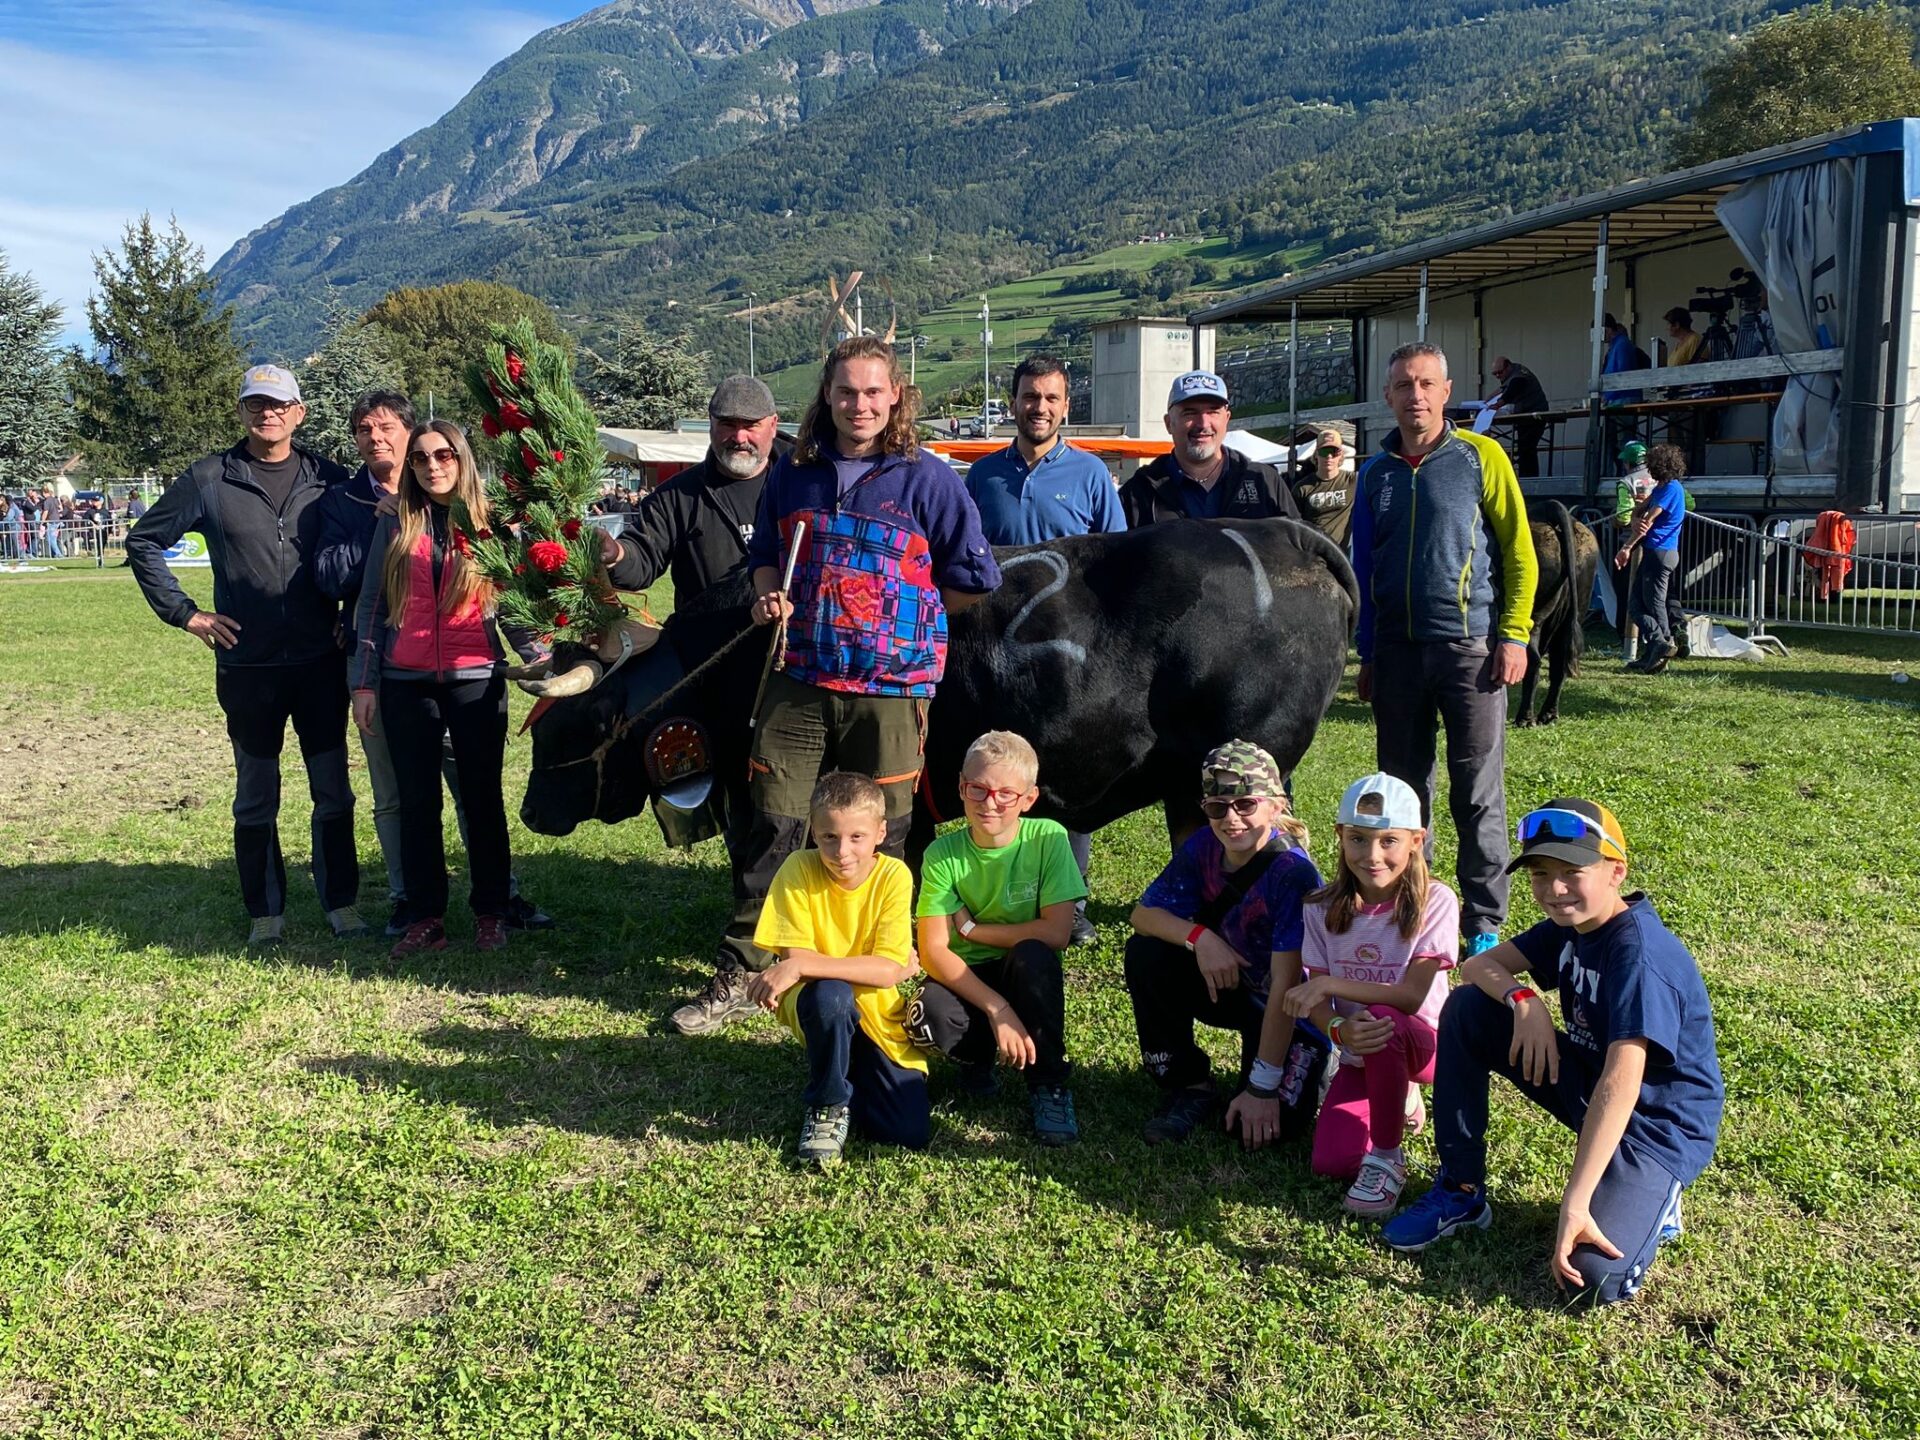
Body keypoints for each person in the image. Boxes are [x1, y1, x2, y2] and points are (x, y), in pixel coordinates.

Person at [669, 336, 1002, 1036]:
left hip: (890, 689)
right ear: (827, 396)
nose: (859, 405)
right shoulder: (794, 474)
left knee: (891, 829)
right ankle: (745, 964)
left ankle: (890, 963)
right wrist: (768, 597)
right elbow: (766, 556)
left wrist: (905, 614)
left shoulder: (931, 482)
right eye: (846, 391)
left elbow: (973, 583)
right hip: (800, 679)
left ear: (896, 398)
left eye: (874, 392)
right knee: (774, 818)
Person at [1385, 798, 1723, 1306]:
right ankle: (1460, 1189)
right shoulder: (1570, 928)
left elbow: (1623, 1082)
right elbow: (1477, 969)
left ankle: (1660, 1196)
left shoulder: (1639, 954)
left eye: (1572, 871)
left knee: (1591, 1280)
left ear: (1616, 872)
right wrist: (1524, 1001)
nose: (1554, 889)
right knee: (1469, 1009)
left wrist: (1575, 1201)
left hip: (1656, 1126)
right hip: (1590, 1082)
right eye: (1541, 874)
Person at [127, 365, 362, 945]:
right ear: (242, 412)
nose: (268, 414)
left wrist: (351, 622)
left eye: (278, 404)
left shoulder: (331, 480)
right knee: (257, 795)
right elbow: (143, 540)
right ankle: (266, 913)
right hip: (248, 667)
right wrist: (187, 613)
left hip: (318, 665)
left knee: (332, 788)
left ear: (298, 412)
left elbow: (362, 556)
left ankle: (342, 905)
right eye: (256, 404)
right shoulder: (210, 479)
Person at [316, 390, 551, 939]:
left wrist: (538, 657)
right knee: (418, 804)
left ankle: (492, 909)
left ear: (462, 459)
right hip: (405, 682)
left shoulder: (491, 525)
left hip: (476, 679)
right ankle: (425, 916)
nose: (431, 465)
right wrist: (364, 685)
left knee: (482, 798)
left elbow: (511, 603)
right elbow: (372, 606)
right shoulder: (396, 523)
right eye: (421, 458)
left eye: (443, 455)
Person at [1352, 341, 1536, 957]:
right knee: (1403, 790)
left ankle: (1483, 921)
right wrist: (1369, 654)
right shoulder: (1375, 474)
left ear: (1447, 391)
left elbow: (1518, 553)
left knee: (1475, 787)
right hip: (1398, 654)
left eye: (1426, 383)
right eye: (1404, 385)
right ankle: (1414, 904)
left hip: (1469, 650)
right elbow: (1364, 567)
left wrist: (1512, 635)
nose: (1416, 396)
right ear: (1389, 397)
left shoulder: (1481, 458)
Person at [963, 354, 1125, 945]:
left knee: (1065, 779)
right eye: (1031, 397)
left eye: (1052, 398)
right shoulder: (982, 478)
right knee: (994, 771)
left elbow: (1116, 566)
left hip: (1068, 660)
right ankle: (996, 894)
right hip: (997, 657)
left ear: (1066, 405)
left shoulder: (1090, 475)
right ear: (1014, 402)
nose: (1041, 407)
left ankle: (1068, 901)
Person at [1123, 741, 1321, 1145]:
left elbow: (1286, 985)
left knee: (1271, 1135)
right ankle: (1189, 1084)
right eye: (1217, 807)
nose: (1231, 819)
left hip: (1285, 1008)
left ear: (1276, 805)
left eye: (1246, 804)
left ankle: (1313, 1068)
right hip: (1227, 985)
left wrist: (1263, 1087)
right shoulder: (1204, 846)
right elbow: (1143, 916)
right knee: (1146, 952)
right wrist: (1200, 937)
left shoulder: (1293, 872)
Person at [1281, 773, 1457, 1217]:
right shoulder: (1318, 907)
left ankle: (1387, 1156)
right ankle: (1393, 1092)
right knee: (1332, 1162)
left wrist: (1331, 984)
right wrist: (1339, 1030)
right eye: (1358, 839)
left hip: (1426, 1044)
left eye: (1388, 841)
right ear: (1340, 837)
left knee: (1384, 1015)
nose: (1371, 855)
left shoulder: (1436, 900)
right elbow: (1320, 1007)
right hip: (1362, 1047)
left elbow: (1412, 997)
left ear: (1417, 840)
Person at [909, 730, 1085, 1145]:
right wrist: (997, 1008)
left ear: (1028, 798)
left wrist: (973, 930)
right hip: (968, 973)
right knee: (929, 1013)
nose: (990, 803)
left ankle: (1049, 1083)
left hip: (1020, 967)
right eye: (979, 789)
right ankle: (979, 1057)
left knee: (1034, 956)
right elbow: (933, 951)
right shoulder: (941, 854)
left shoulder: (1049, 839)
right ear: (961, 788)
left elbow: (1057, 933)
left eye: (1006, 794)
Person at [747, 771, 926, 1167]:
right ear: (814, 833)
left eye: (856, 837)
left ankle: (845, 1070)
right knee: (831, 994)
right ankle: (827, 1105)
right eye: (830, 836)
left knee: (906, 1133)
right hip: (822, 1001)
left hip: (878, 1014)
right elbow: (868, 968)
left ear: (880, 832)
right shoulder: (798, 868)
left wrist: (890, 971)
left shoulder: (894, 875)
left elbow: (801, 964)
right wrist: (887, 969)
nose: (842, 851)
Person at [600, 375, 788, 604]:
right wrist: (616, 554)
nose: (739, 437)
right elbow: (643, 557)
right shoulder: (675, 496)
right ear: (711, 424)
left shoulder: (805, 485)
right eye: (728, 424)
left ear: (773, 425)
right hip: (707, 638)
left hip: (791, 637)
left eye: (750, 425)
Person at [1118, 370, 1301, 527]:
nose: (1203, 423)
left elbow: (1299, 554)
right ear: (1168, 424)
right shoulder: (1138, 493)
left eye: (1213, 411)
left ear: (1227, 419)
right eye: (1190, 412)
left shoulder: (1264, 482)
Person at [1614, 441, 1690, 673]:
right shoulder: (1660, 488)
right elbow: (1639, 512)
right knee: (1637, 605)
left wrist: (1626, 548)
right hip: (1656, 553)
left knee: (1654, 604)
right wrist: (1636, 515)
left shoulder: (1670, 490)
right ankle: (1654, 649)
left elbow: (1647, 522)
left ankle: (1663, 645)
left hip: (1660, 552)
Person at [1289, 425, 1358, 546]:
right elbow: (1294, 526)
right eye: (1324, 451)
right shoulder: (1302, 488)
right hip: (1313, 553)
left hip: (1342, 555)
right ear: (1316, 455)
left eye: (1334, 452)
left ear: (1341, 455)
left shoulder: (1353, 481)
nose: (1329, 457)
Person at [1485, 356, 1550, 480]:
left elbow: (1512, 391)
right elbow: (1503, 389)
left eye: (1500, 372)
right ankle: (1525, 478)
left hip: (1534, 414)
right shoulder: (1510, 375)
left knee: (1527, 449)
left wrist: (1498, 404)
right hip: (1524, 416)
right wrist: (1487, 400)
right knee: (1523, 448)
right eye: (1495, 374)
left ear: (1508, 366)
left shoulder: (1519, 376)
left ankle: (1529, 480)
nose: (1498, 376)